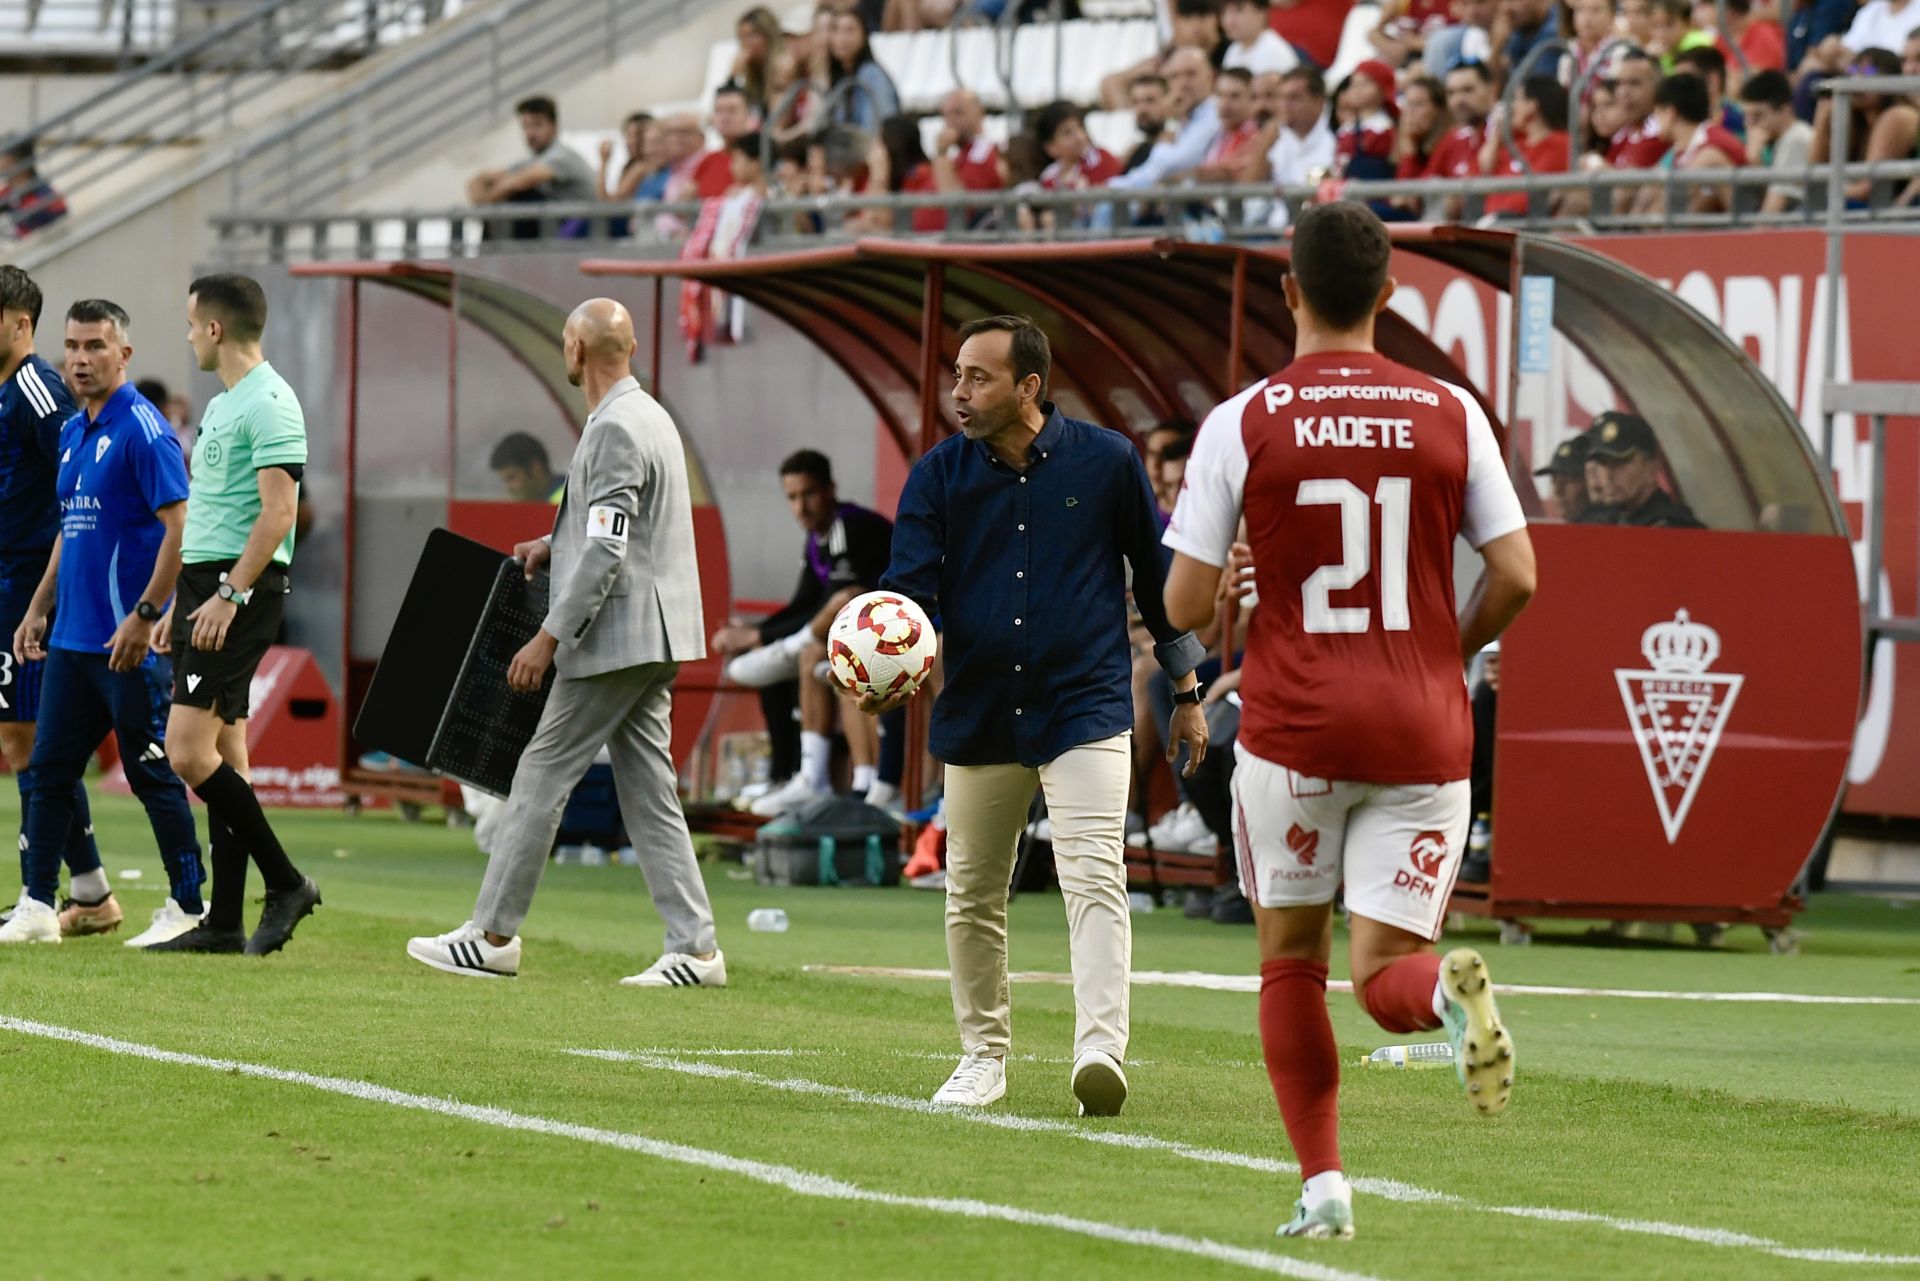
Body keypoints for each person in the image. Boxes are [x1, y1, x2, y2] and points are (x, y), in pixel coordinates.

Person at [1161, 202, 1536, 1239]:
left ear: (1289, 293)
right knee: (1384, 974)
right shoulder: (1452, 411)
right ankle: (1447, 1000)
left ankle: (1323, 1186)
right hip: (1422, 728)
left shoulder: (1242, 419)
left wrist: (1233, 582)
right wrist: (1445, 653)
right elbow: (1517, 574)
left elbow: (1184, 610)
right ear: (1388, 295)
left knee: (1294, 961)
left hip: (1294, 731)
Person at [853, 315, 1209, 1115]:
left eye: (978, 377)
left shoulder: (1110, 462)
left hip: (1085, 702)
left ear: (1029, 387)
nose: (959, 392)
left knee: (1094, 874)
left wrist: (1186, 692)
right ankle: (983, 1057)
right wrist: (886, 658)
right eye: (956, 375)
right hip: (979, 710)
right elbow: (909, 596)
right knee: (973, 892)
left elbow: (1156, 584)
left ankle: (1100, 1052)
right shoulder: (937, 476)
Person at [406, 299, 723, 985]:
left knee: (540, 774)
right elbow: (621, 530)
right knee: (650, 793)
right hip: (658, 630)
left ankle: (492, 935)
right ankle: (695, 948)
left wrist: (548, 636)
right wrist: (557, 542)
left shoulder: (612, 427)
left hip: (614, 635)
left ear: (577, 347)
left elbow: (609, 552)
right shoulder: (651, 415)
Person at [1, 300, 206, 947]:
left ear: (125, 354)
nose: (81, 359)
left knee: (151, 772)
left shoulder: (144, 430)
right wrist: (39, 605)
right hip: (70, 638)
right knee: (50, 771)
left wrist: (148, 615)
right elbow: (70, 528)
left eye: (95, 346)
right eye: (73, 346)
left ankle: (188, 904)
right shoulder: (73, 432)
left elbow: (182, 528)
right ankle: (37, 903)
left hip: (126, 641)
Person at [137, 276, 321, 955]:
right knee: (229, 752)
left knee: (186, 750)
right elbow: (213, 513)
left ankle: (288, 881)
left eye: (191, 323)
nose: (188, 335)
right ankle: (224, 921)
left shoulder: (271, 402)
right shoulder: (225, 404)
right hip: (203, 587)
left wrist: (229, 594)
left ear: (214, 329)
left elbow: (280, 513)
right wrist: (175, 605)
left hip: (236, 591)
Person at [0, 266, 111, 938]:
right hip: (10, 580)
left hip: (29, 585)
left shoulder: (39, 389)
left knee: (29, 739)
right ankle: (92, 889)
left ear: (19, 321)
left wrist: (49, 591)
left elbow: (79, 485)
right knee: (24, 739)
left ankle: (42, 893)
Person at [709, 449, 895, 815]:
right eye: (792, 497)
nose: (800, 507)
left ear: (829, 490)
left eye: (808, 494)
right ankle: (797, 776)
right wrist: (757, 631)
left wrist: (758, 638)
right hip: (852, 639)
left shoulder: (849, 526)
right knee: (801, 654)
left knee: (816, 637)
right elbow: (802, 604)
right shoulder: (816, 539)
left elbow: (839, 603)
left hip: (893, 637)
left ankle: (843, 778)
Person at [464, 96, 597, 240]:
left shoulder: (561, 156)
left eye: (537, 125)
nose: (530, 133)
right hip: (558, 230)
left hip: (583, 231)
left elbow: (520, 182)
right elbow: (479, 180)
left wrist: (484, 206)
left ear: (554, 126)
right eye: (526, 126)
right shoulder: (531, 160)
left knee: (523, 198)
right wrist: (483, 203)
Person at [1109, 48, 1224, 192]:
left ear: (1211, 77)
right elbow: (1149, 173)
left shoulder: (1216, 113)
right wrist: (1111, 186)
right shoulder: (1187, 117)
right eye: (1174, 76)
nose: (1183, 83)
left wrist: (1170, 122)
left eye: (1191, 74)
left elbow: (1178, 162)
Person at [1633, 72, 1745, 215]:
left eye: (1657, 113)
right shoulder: (1680, 150)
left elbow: (1669, 204)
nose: (1655, 120)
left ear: (1670, 112)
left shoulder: (1714, 144)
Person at [1587, 409, 1705, 526]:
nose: (1607, 475)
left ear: (1651, 469)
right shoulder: (1612, 521)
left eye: (1619, 463)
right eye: (1603, 463)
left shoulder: (1673, 527)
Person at [1481, 74, 1573, 217]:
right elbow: (1485, 168)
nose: (1512, 106)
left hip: (1524, 225)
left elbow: (1531, 197)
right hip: (1493, 223)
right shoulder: (1517, 144)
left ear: (1532, 105)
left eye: (1517, 99)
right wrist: (1497, 135)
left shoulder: (1561, 143)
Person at [1423, 61, 1496, 220]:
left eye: (1467, 90)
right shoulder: (1452, 138)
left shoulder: (1511, 130)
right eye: (1451, 93)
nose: (1458, 100)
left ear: (1492, 90)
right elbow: (1426, 182)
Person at [1740, 69, 1815, 213]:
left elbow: (1770, 217)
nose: (1749, 125)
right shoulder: (1783, 139)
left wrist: (1754, 159)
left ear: (1785, 110)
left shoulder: (1796, 140)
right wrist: (1756, 162)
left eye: (1757, 116)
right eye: (1746, 116)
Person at [816, 8, 901, 132]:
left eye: (849, 31)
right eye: (836, 30)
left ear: (864, 35)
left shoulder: (872, 75)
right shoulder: (838, 78)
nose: (841, 38)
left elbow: (879, 127)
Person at [1, 142, 68, 240]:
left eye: (6, 164)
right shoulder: (8, 192)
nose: (2, 169)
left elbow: (61, 221)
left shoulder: (44, 194)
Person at [1223, 0, 1301, 74]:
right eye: (1224, 12)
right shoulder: (1233, 49)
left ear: (1262, 13)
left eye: (1238, 11)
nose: (1229, 20)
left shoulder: (1273, 51)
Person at [1533, 433, 1598, 521]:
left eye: (1568, 480)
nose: (1558, 491)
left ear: (1591, 482)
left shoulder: (1608, 529)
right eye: (1554, 481)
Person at [491, 432, 564, 503]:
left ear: (535, 468)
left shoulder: (562, 503)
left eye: (511, 477)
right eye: (504, 481)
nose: (508, 489)